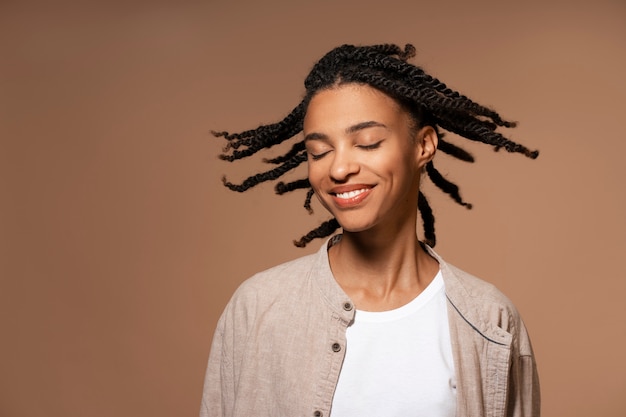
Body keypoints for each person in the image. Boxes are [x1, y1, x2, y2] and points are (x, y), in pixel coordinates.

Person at [200, 43, 540, 417]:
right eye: (318, 151)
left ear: (424, 145)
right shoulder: (259, 307)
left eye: (367, 143)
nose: (339, 168)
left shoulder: (489, 320)